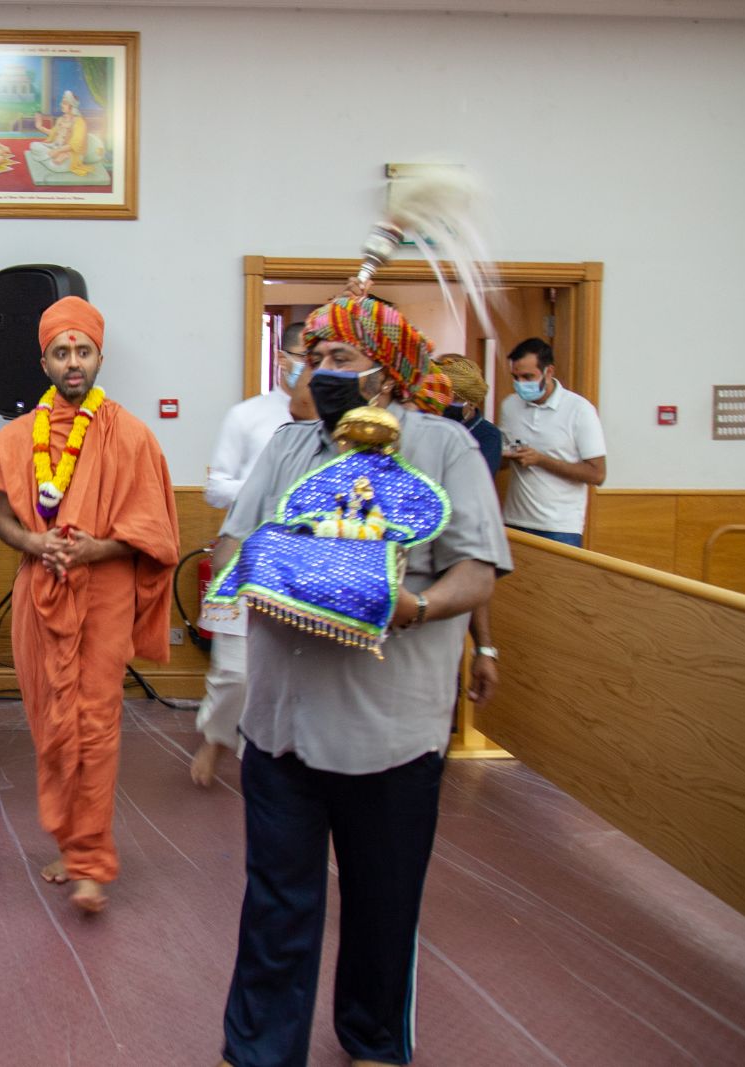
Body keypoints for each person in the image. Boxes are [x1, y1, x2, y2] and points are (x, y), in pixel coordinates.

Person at [215, 291, 511, 1067]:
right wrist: (280, 569)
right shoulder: (289, 446)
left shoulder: (445, 449)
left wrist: (407, 604)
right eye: (314, 358)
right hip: (280, 724)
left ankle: (373, 1041)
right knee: (276, 902)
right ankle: (257, 1049)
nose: (321, 373)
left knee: (383, 905)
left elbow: (477, 572)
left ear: (389, 375)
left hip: (393, 730)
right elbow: (232, 545)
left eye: (340, 358)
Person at [0, 296, 179, 914]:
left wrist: (97, 550)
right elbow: (4, 520)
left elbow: (154, 532)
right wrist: (36, 542)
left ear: (100, 357)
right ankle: (71, 845)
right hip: (38, 596)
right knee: (49, 725)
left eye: (83, 351)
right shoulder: (16, 437)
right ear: (43, 361)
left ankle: (93, 862)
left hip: (106, 595)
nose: (73, 362)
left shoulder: (132, 435)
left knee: (95, 724)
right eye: (61, 352)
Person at [190, 321, 305, 787]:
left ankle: (282, 755)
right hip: (246, 554)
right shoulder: (248, 415)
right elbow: (215, 488)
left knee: (294, 663)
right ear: (282, 358)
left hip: (301, 559)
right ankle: (216, 738)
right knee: (235, 670)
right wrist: (268, 491)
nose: (310, 366)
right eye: (303, 355)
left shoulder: (331, 423)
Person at [432, 353, 501, 702]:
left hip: (450, 559)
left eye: (455, 402)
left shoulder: (484, 439)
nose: (447, 408)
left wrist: (484, 648)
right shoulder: (418, 432)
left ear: (471, 403)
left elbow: (463, 508)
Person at [498, 336, 607, 547]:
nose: (521, 384)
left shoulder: (579, 410)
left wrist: (540, 460)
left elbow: (597, 474)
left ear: (549, 372)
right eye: (516, 377)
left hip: (560, 527)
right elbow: (501, 461)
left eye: (528, 376)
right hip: (514, 521)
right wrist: (505, 455)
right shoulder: (510, 405)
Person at [28, 91, 91, 176]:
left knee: (54, 165)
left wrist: (58, 151)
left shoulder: (79, 121)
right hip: (55, 147)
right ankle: (53, 157)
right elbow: (53, 134)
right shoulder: (61, 119)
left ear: (72, 106)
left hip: (70, 153)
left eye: (64, 103)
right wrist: (40, 127)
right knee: (33, 145)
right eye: (62, 102)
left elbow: (76, 144)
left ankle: (52, 157)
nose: (61, 104)